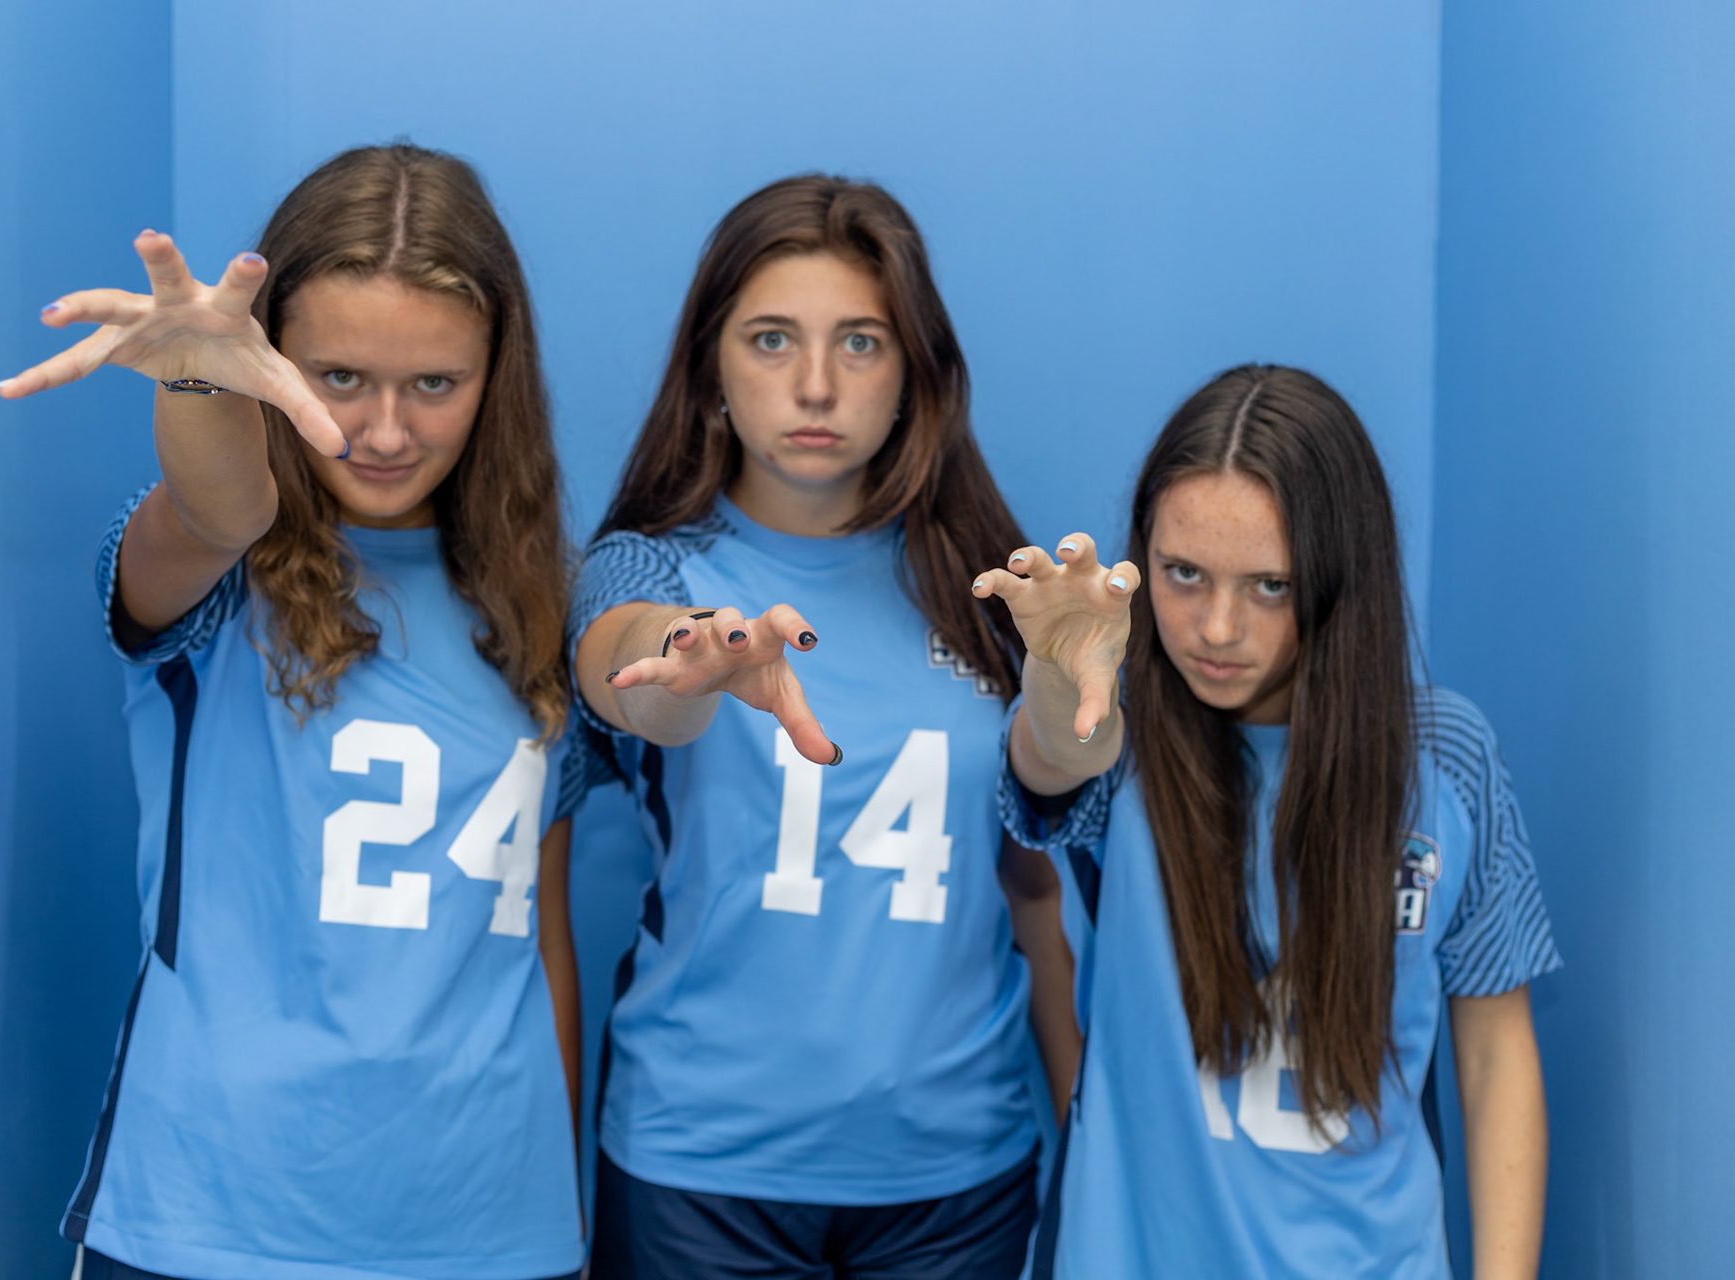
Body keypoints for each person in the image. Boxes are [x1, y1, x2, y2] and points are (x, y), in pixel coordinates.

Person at [0, 144, 590, 1280]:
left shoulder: (539, 602)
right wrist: (197, 383)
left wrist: (559, 1213)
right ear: (270, 360)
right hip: (209, 1220)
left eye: (435, 384)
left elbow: (543, 940)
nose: (385, 432)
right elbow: (216, 507)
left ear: (495, 377)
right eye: (340, 376)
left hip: (490, 1230)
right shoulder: (216, 573)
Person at [569, 174, 1076, 1280]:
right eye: (771, 340)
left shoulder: (993, 591)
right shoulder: (650, 566)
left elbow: (1032, 882)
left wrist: (1086, 1124)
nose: (814, 383)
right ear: (710, 367)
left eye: (859, 342)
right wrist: (691, 658)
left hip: (956, 1180)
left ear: (914, 373)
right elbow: (631, 670)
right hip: (698, 1172)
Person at [982, 364, 1560, 1278]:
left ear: (1339, 577)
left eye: (1270, 586)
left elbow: (1494, 1057)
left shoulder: (1446, 756)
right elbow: (1055, 756)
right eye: (1183, 574)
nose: (1216, 628)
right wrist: (1058, 675)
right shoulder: (1121, 734)